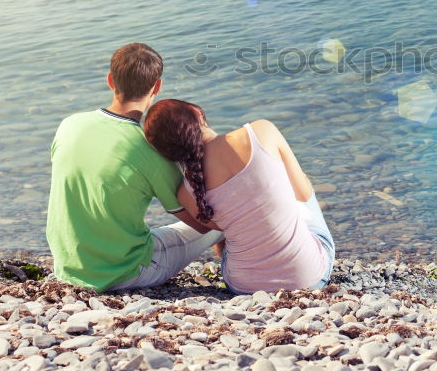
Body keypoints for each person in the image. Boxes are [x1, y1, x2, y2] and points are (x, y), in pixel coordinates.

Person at [46, 43, 223, 293]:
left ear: (110, 81)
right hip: (125, 271)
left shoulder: (69, 125)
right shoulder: (151, 151)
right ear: (157, 87)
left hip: (67, 268)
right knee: (222, 225)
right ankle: (240, 273)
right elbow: (201, 224)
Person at [143, 99, 335, 294]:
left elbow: (217, 230)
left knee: (233, 223)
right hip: (309, 277)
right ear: (196, 112)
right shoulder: (261, 131)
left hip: (243, 285)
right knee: (304, 197)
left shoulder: (186, 194)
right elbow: (302, 193)